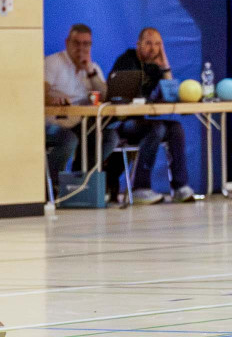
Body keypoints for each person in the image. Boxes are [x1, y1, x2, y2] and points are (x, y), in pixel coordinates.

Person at [111, 28, 194, 204]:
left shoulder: (155, 67)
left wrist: (165, 66)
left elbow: (171, 95)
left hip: (142, 123)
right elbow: (122, 98)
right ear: (138, 44)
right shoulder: (126, 61)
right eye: (148, 43)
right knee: (157, 128)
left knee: (175, 128)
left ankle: (180, 187)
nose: (153, 48)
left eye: (157, 44)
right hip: (121, 124)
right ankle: (140, 188)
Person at [44, 24, 115, 188]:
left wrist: (90, 72)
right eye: (76, 43)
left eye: (86, 44)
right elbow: (39, 93)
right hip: (54, 123)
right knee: (69, 139)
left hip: (81, 124)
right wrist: (52, 100)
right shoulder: (53, 63)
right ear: (67, 42)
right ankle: (51, 187)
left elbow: (106, 98)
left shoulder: (93, 68)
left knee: (110, 137)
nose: (81, 48)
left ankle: (80, 182)